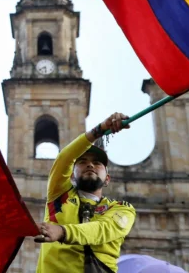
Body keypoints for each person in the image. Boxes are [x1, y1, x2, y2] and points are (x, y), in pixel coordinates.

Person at [35, 112, 136, 273]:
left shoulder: (122, 209)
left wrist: (63, 232)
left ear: (107, 179)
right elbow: (65, 158)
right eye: (82, 162)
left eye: (97, 163)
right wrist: (100, 129)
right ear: (71, 175)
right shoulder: (59, 194)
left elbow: (102, 229)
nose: (90, 165)